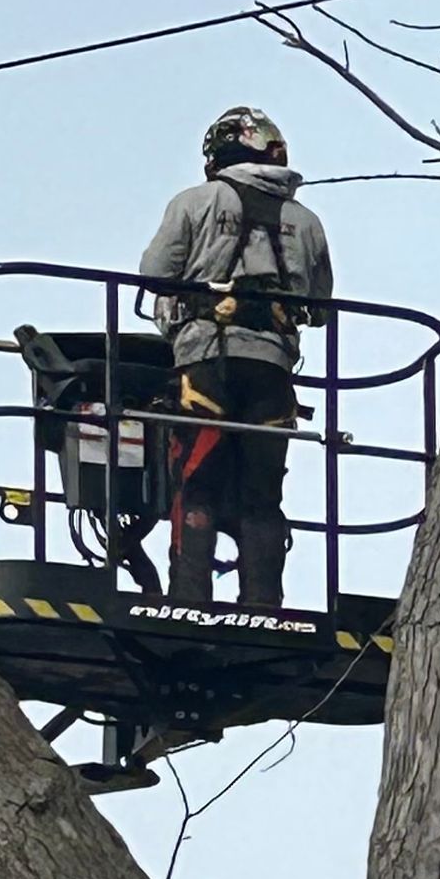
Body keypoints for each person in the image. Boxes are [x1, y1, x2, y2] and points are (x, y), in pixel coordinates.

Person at [140, 107, 332, 612]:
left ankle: (189, 600)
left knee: (197, 481)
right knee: (262, 495)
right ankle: (264, 606)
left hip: (205, 363)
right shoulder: (306, 223)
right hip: (272, 371)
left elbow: (155, 273)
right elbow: (320, 308)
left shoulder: (194, 203)